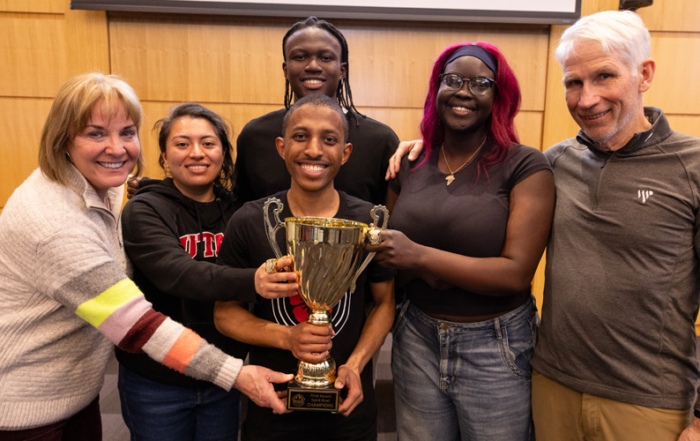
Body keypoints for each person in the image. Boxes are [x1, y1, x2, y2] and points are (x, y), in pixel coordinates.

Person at [0, 73, 292, 440]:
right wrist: (235, 371)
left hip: (76, 392)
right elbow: (138, 325)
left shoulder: (107, 184)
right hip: (27, 405)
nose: (116, 148)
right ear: (62, 140)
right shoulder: (52, 222)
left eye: (126, 132)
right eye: (95, 133)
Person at [525, 11, 700, 441]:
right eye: (573, 82)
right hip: (550, 388)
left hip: (649, 405)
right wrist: (430, 148)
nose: (586, 100)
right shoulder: (554, 162)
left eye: (604, 76)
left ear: (644, 74)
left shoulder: (693, 167)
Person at [367, 42, 554, 441]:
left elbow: (516, 274)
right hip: (416, 337)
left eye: (481, 83)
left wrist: (421, 259)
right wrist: (415, 267)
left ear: (499, 96)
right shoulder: (411, 163)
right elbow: (388, 251)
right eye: (452, 80)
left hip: (495, 345)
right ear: (437, 89)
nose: (464, 91)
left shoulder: (525, 165)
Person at [214, 94, 396, 441]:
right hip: (273, 406)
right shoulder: (251, 220)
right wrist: (287, 337)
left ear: (345, 152)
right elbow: (224, 314)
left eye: (329, 139)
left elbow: (385, 304)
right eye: (300, 136)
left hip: (348, 408)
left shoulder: (369, 222)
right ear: (281, 147)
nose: (314, 150)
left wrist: (356, 364)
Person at [116, 103, 298, 440]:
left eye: (208, 143)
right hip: (157, 381)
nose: (196, 153)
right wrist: (253, 280)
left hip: (223, 376)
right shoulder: (144, 209)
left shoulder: (241, 214)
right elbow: (178, 274)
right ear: (164, 155)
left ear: (223, 153)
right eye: (182, 144)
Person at [129, 16, 398, 205]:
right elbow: (230, 204)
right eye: (300, 57)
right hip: (265, 279)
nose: (313, 65)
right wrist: (164, 190)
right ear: (286, 69)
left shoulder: (380, 139)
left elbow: (391, 221)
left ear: (342, 71)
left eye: (325, 57)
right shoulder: (256, 136)